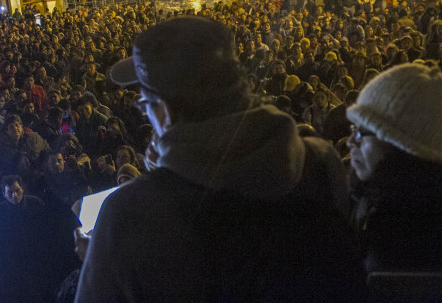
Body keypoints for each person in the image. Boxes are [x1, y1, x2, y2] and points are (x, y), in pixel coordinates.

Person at [76, 16, 365, 302]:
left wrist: (102, 260)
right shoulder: (319, 162)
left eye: (145, 105)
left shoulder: (127, 215)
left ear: (164, 110)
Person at [346, 63, 442, 272]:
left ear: (403, 146)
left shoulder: (413, 236)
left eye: (363, 132)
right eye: (353, 129)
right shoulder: (369, 198)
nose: (351, 142)